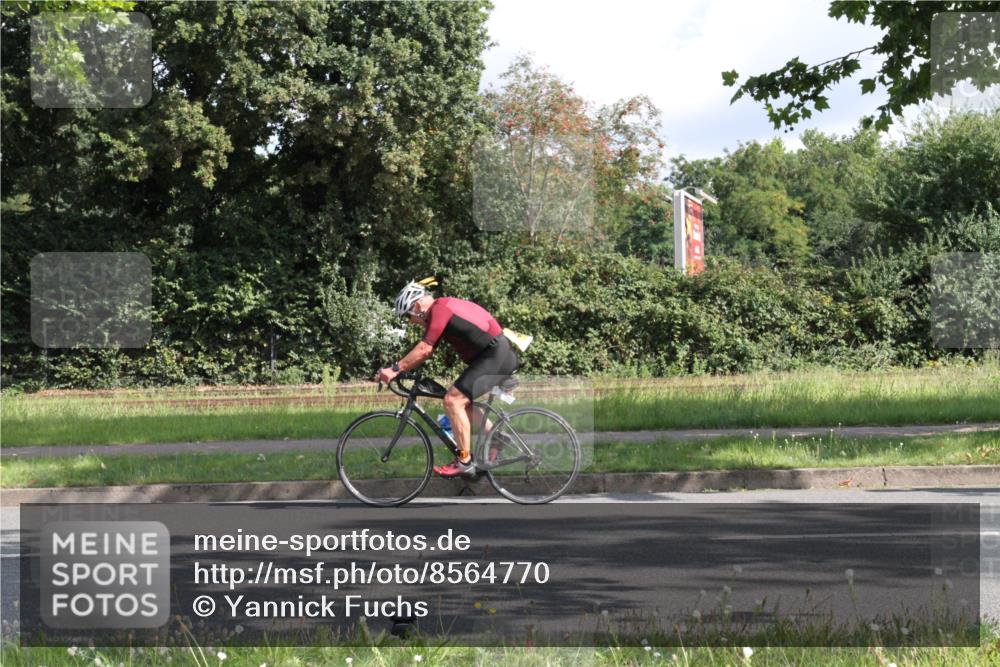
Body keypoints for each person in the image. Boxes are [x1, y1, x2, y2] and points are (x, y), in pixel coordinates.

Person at [377, 279, 519, 477]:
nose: (411, 322)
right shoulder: (442, 309)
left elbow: (425, 349)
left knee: (453, 400)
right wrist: (404, 368)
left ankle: (464, 460)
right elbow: (427, 349)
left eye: (409, 316)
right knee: (461, 403)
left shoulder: (440, 309)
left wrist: (394, 369)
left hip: (495, 355)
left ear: (417, 306)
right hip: (496, 353)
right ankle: (497, 439)